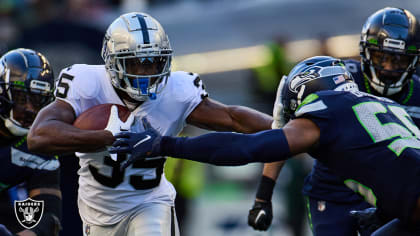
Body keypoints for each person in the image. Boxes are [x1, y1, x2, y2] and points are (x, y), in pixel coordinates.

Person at [111, 56, 420, 235]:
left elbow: (247, 149)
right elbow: (397, 164)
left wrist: (164, 144)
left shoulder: (326, 111)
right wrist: (386, 211)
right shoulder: (378, 105)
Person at [27, 12, 272, 236]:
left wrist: (283, 126)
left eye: (153, 62)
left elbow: (232, 117)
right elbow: (38, 137)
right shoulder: (87, 83)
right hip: (97, 210)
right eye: (135, 63)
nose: (145, 73)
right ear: (112, 61)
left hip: (151, 202)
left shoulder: (176, 90)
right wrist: (105, 137)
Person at [248, 7, 420, 236]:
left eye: (398, 60)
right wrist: (263, 194)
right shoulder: (337, 78)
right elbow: (285, 133)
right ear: (365, 52)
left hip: (391, 196)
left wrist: (386, 211)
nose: (388, 68)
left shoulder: (418, 92)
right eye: (382, 57)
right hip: (333, 192)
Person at [0, 48, 61, 236]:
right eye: (20, 97)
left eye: (37, 100)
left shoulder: (41, 148)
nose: (30, 109)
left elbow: (49, 220)